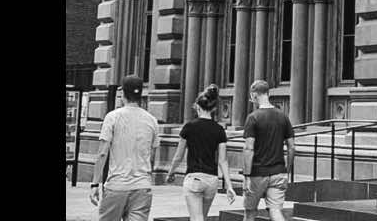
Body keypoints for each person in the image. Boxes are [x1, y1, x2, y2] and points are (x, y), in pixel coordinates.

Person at [89, 75, 159, 221]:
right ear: (140, 94)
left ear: (122, 94)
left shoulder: (112, 117)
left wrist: (95, 183)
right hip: (142, 186)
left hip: (117, 185)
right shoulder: (152, 120)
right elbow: (152, 155)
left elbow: (102, 153)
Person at [166, 83, 237, 221]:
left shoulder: (189, 127)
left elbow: (178, 156)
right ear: (214, 108)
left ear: (197, 107)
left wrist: (171, 172)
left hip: (194, 178)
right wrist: (229, 185)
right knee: (201, 217)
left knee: (197, 218)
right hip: (212, 180)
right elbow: (223, 160)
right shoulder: (219, 130)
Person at [240, 79, 296, 221]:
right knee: (276, 211)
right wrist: (287, 170)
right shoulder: (283, 116)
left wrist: (246, 176)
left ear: (254, 95)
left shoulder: (253, 118)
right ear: (268, 93)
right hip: (278, 172)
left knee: (250, 212)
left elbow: (248, 148)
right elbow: (292, 147)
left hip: (257, 172)